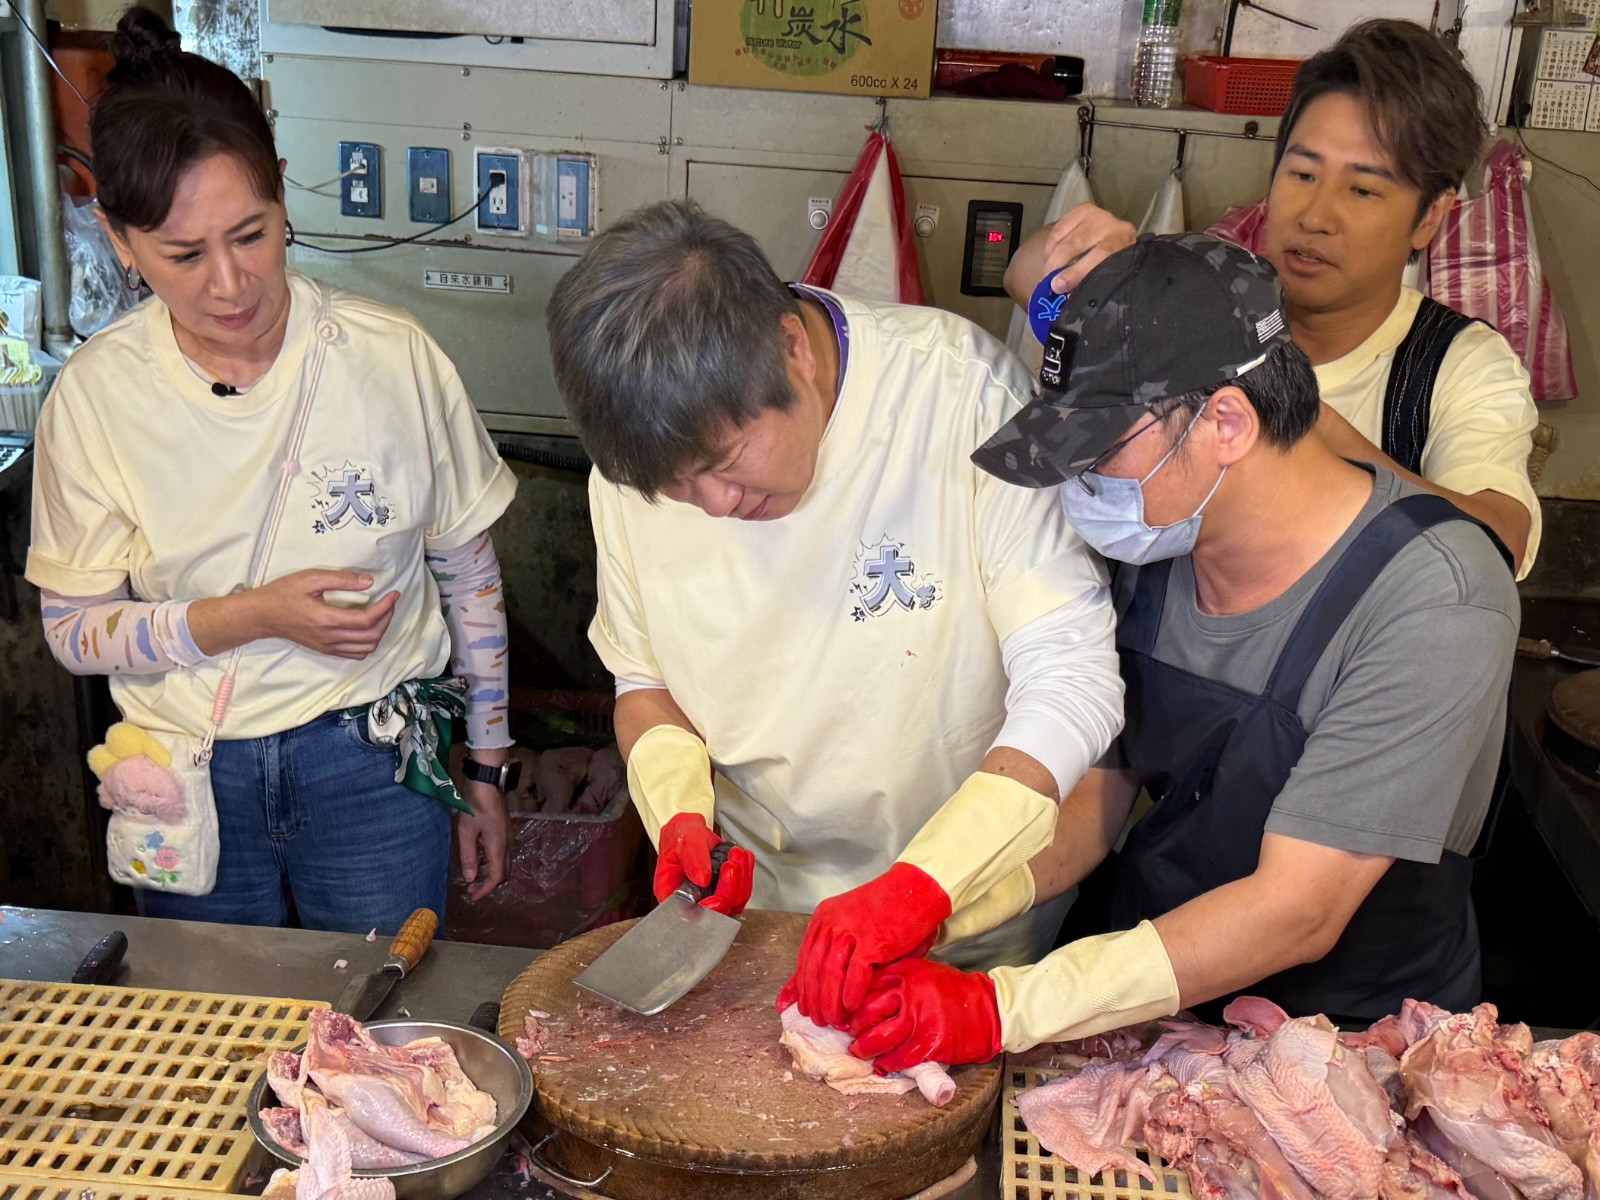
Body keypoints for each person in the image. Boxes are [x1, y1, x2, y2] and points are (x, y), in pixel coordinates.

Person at [844, 233, 1517, 1074]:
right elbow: (1102, 791)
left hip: (1353, 1051)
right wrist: (952, 903)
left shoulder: (1435, 598)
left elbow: (1297, 909)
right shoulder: (1162, 546)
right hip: (1159, 1014)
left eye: (1097, 457)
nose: (1078, 491)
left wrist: (1005, 1005)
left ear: (1226, 421)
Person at [545, 200, 1124, 1028]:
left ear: (791, 349)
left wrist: (924, 889)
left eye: (725, 461)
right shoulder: (635, 462)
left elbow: (1074, 683)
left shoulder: (958, 394)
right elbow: (645, 681)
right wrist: (678, 812)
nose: (712, 504)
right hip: (754, 928)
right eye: (677, 487)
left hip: (970, 920)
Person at [27, 10, 518, 932]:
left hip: (372, 761)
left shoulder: (390, 358)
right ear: (120, 239)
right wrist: (247, 618)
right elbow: (74, 631)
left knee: (383, 1029)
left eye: (251, 234)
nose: (229, 284)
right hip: (182, 770)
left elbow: (470, 575)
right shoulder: (97, 397)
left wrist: (487, 768)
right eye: (182, 254)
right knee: (208, 1042)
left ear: (284, 195)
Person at [1005, 19, 1540, 577]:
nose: (1314, 216)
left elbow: (1497, 540)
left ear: (1430, 215)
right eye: (1303, 173)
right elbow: (1026, 275)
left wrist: (1309, 428)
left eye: (1362, 189)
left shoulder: (1458, 365)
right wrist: (1103, 263)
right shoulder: (1197, 299)